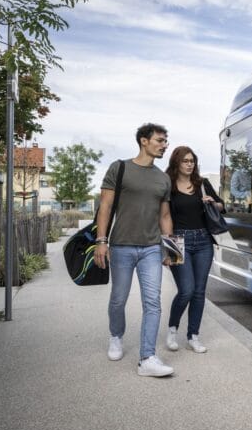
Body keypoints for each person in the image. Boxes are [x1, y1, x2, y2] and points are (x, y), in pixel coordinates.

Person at [94, 123, 175, 377]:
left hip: (151, 248)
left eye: (165, 141)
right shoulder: (120, 168)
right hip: (121, 246)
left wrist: (171, 249)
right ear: (144, 140)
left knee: (153, 302)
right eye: (160, 140)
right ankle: (116, 336)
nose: (164, 145)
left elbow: (165, 215)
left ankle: (147, 358)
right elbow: (105, 207)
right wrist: (101, 241)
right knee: (118, 298)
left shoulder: (163, 178)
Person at [164, 146, 225, 354]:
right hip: (178, 241)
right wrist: (167, 249)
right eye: (185, 161)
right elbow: (164, 217)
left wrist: (213, 203)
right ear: (176, 163)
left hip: (203, 241)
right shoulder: (168, 185)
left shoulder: (202, 184)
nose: (190, 164)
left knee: (199, 292)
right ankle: (172, 329)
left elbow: (221, 206)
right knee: (186, 290)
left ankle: (193, 336)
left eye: (192, 161)